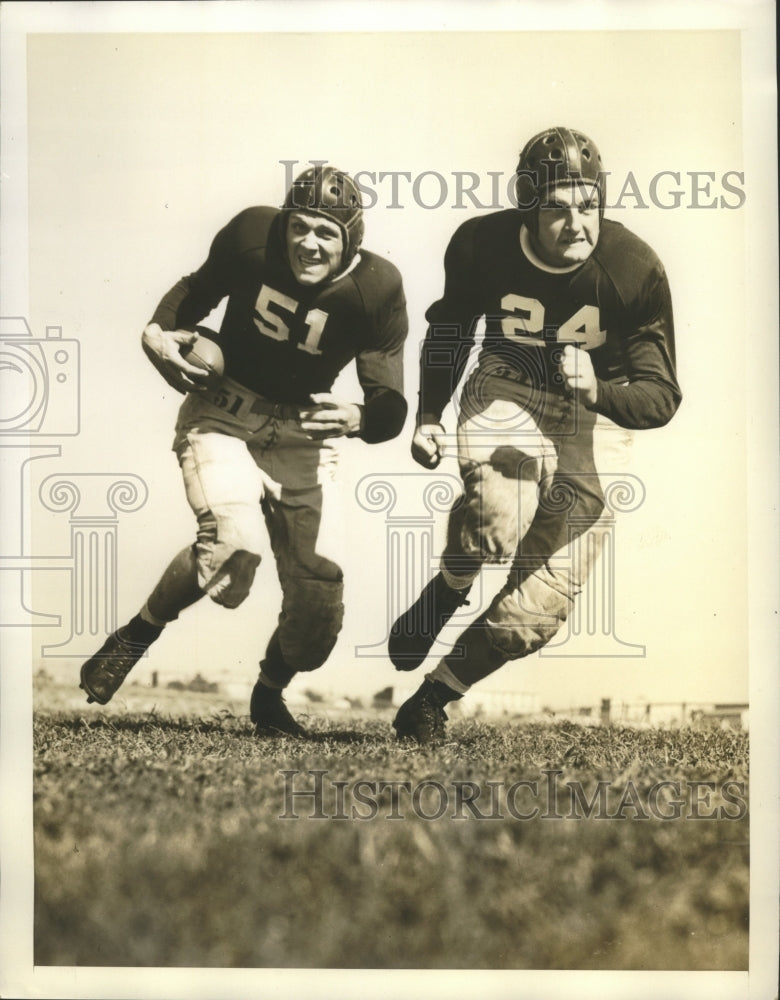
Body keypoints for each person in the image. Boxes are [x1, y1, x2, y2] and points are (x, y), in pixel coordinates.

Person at [80, 165, 409, 736]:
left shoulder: (376, 287)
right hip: (224, 412)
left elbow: (389, 404)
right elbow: (193, 293)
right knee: (233, 551)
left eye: (326, 232)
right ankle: (137, 634)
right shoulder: (253, 236)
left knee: (318, 610)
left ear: (351, 240)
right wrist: (156, 332)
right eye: (299, 226)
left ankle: (269, 694)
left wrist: (360, 417)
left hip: (304, 434)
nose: (308, 243)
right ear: (283, 224)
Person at [388, 126, 681, 743]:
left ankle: (432, 700)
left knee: (534, 613)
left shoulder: (633, 269)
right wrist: (429, 415)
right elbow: (451, 331)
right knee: (500, 510)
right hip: (510, 383)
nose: (576, 224)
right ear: (528, 209)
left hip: (595, 415)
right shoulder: (482, 245)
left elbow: (661, 396)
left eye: (588, 205)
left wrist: (599, 392)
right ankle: (452, 586)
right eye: (556, 208)